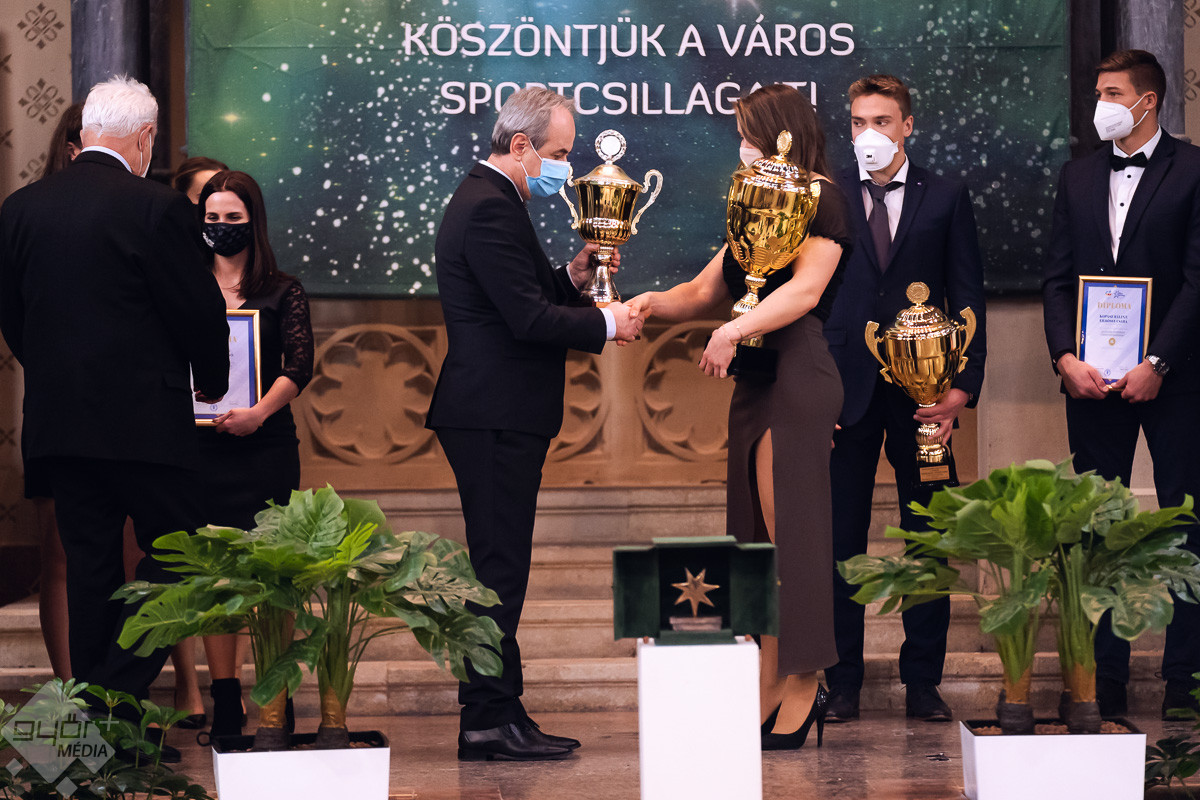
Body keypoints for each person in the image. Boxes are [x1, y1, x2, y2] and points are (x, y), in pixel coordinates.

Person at [0, 77, 229, 738]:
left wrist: (55, 376)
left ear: (87, 132)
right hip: (147, 426)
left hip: (60, 424)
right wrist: (213, 381)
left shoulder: (21, 208)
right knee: (183, 557)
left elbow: (12, 315)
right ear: (145, 138)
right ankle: (116, 698)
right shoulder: (157, 207)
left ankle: (100, 730)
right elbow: (195, 308)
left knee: (91, 570)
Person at [628, 83, 851, 750]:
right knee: (755, 541)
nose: (742, 148)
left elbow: (805, 292)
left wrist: (731, 331)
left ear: (780, 133)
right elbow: (704, 290)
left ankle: (805, 681)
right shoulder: (754, 200)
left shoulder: (821, 197)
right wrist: (647, 302)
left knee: (794, 537)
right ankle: (767, 677)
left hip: (798, 372)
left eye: (748, 135)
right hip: (756, 381)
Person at [426, 86, 642, 761]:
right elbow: (524, 320)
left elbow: (519, 296)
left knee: (502, 568)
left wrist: (573, 275)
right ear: (519, 145)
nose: (564, 168)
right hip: (492, 413)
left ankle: (501, 709)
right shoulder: (489, 206)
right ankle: (486, 717)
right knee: (497, 572)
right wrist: (609, 321)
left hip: (499, 412)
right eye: (558, 153)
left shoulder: (493, 199)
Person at [822, 74, 987, 724]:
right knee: (842, 540)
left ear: (907, 125)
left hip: (926, 397)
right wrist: (814, 392)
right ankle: (843, 682)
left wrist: (962, 386)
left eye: (882, 121)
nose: (869, 133)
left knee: (928, 537)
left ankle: (923, 682)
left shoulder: (945, 195)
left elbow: (968, 293)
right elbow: (811, 299)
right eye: (859, 121)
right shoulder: (828, 192)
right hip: (844, 393)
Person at [1043, 49, 1200, 720]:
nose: (1101, 104)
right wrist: (1064, 357)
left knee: (1185, 524)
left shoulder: (1193, 169)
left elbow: (1198, 279)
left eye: (1112, 93)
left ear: (1147, 101)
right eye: (1099, 92)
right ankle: (1100, 681)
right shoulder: (1077, 175)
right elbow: (1057, 277)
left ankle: (1185, 680)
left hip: (1177, 381)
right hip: (1090, 382)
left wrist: (1158, 362)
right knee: (1095, 528)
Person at [196, 169, 314, 739]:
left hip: (266, 444)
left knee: (274, 575)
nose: (221, 227)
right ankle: (225, 701)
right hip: (199, 449)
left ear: (253, 221)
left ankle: (275, 698)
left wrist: (258, 413)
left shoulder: (282, 289)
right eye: (212, 218)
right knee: (217, 576)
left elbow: (300, 364)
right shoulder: (185, 285)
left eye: (233, 218)